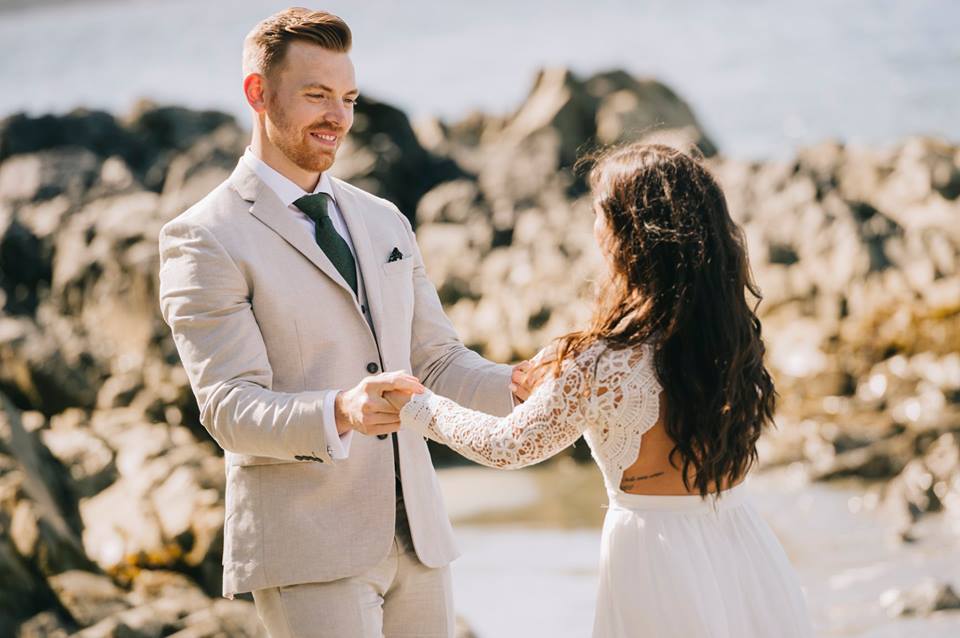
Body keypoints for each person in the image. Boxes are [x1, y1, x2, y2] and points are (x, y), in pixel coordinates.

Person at [158, 8, 522, 637]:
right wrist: (341, 411)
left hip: (420, 539)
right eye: (317, 95)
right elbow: (228, 408)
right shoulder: (203, 238)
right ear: (258, 93)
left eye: (348, 98)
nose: (339, 117)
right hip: (307, 545)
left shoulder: (384, 219)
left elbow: (435, 360)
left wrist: (518, 384)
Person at [388, 143, 815, 637]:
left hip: (658, 564)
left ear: (629, 234)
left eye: (599, 214)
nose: (594, 228)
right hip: (744, 549)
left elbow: (508, 446)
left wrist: (416, 406)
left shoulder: (601, 361)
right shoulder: (730, 339)